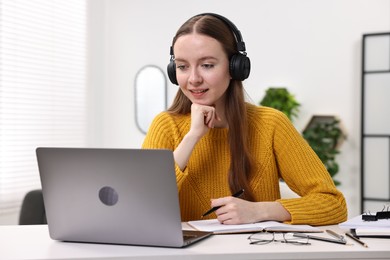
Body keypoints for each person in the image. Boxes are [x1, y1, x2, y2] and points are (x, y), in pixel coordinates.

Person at [142, 13, 347, 226]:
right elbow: (139, 203)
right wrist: (192, 137)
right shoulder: (166, 125)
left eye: (207, 65)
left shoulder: (271, 125)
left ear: (235, 67)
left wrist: (261, 211)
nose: (193, 79)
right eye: (183, 66)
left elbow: (333, 204)